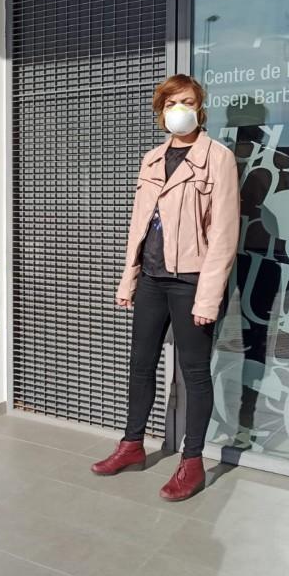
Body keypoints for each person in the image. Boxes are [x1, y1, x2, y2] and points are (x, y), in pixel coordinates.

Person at [91, 74, 240, 501]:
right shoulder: (152, 159)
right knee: (141, 364)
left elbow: (224, 235)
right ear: (161, 111)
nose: (180, 110)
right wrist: (129, 279)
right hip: (153, 279)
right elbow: (139, 226)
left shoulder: (218, 158)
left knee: (194, 373)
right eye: (172, 102)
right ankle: (132, 444)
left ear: (200, 108)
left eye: (188, 102)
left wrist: (208, 298)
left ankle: (192, 463)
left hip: (192, 280)